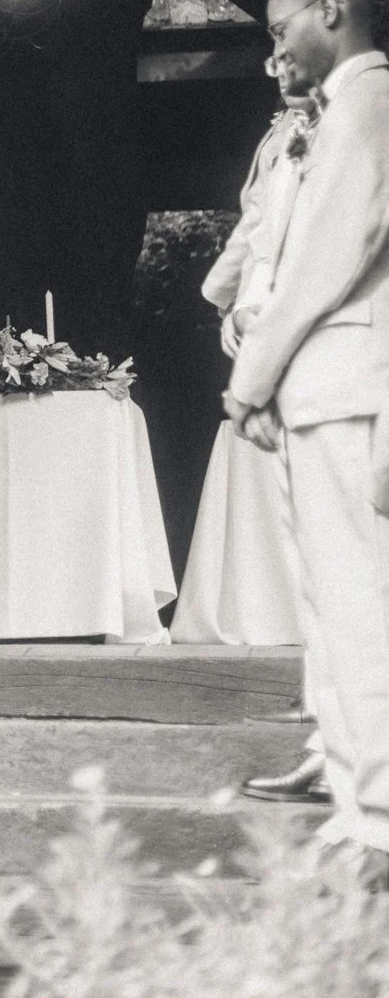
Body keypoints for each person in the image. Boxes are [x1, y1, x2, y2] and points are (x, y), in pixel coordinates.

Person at [225, 0, 389, 884]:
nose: (275, 45)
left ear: (333, 10)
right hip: (326, 391)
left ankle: (381, 821)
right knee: (334, 610)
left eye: (282, 25)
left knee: (362, 610)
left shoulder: (368, 103)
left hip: (350, 388)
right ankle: (359, 798)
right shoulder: (343, 109)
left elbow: (329, 256)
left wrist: (249, 379)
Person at [180, 53, 329, 803]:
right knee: (313, 540)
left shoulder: (360, 122)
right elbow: (259, 224)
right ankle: (331, 722)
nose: (276, 62)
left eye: (286, 39)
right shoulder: (282, 135)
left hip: (329, 347)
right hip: (268, 332)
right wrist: (227, 302)